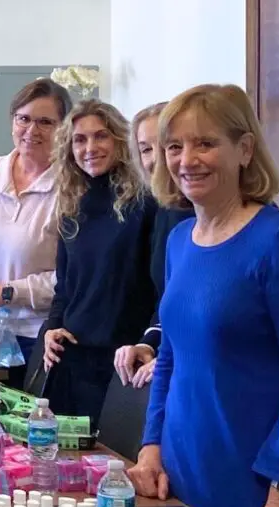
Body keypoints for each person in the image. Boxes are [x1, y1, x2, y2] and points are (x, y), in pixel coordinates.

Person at [127, 84, 279, 507]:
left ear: (245, 149)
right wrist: (151, 445)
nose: (186, 160)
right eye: (174, 146)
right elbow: (170, 358)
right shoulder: (180, 240)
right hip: (179, 477)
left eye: (205, 143)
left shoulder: (277, 240)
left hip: (254, 487)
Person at [41, 99, 156, 426]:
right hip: (71, 360)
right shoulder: (71, 206)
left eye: (101, 136)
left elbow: (160, 289)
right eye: (80, 139)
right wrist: (51, 328)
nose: (90, 148)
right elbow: (65, 287)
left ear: (120, 140)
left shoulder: (146, 205)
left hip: (123, 364)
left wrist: (149, 344)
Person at [0, 79, 72, 385]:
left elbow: (72, 276)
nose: (32, 130)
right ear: (12, 122)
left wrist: (8, 292)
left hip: (41, 336)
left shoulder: (72, 187)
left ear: (63, 129)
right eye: (24, 119)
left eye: (45, 122)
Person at [112, 101, 195, 387]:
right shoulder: (165, 211)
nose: (156, 158)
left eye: (167, 146)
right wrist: (148, 345)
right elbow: (168, 301)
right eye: (146, 149)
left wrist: (174, 357)